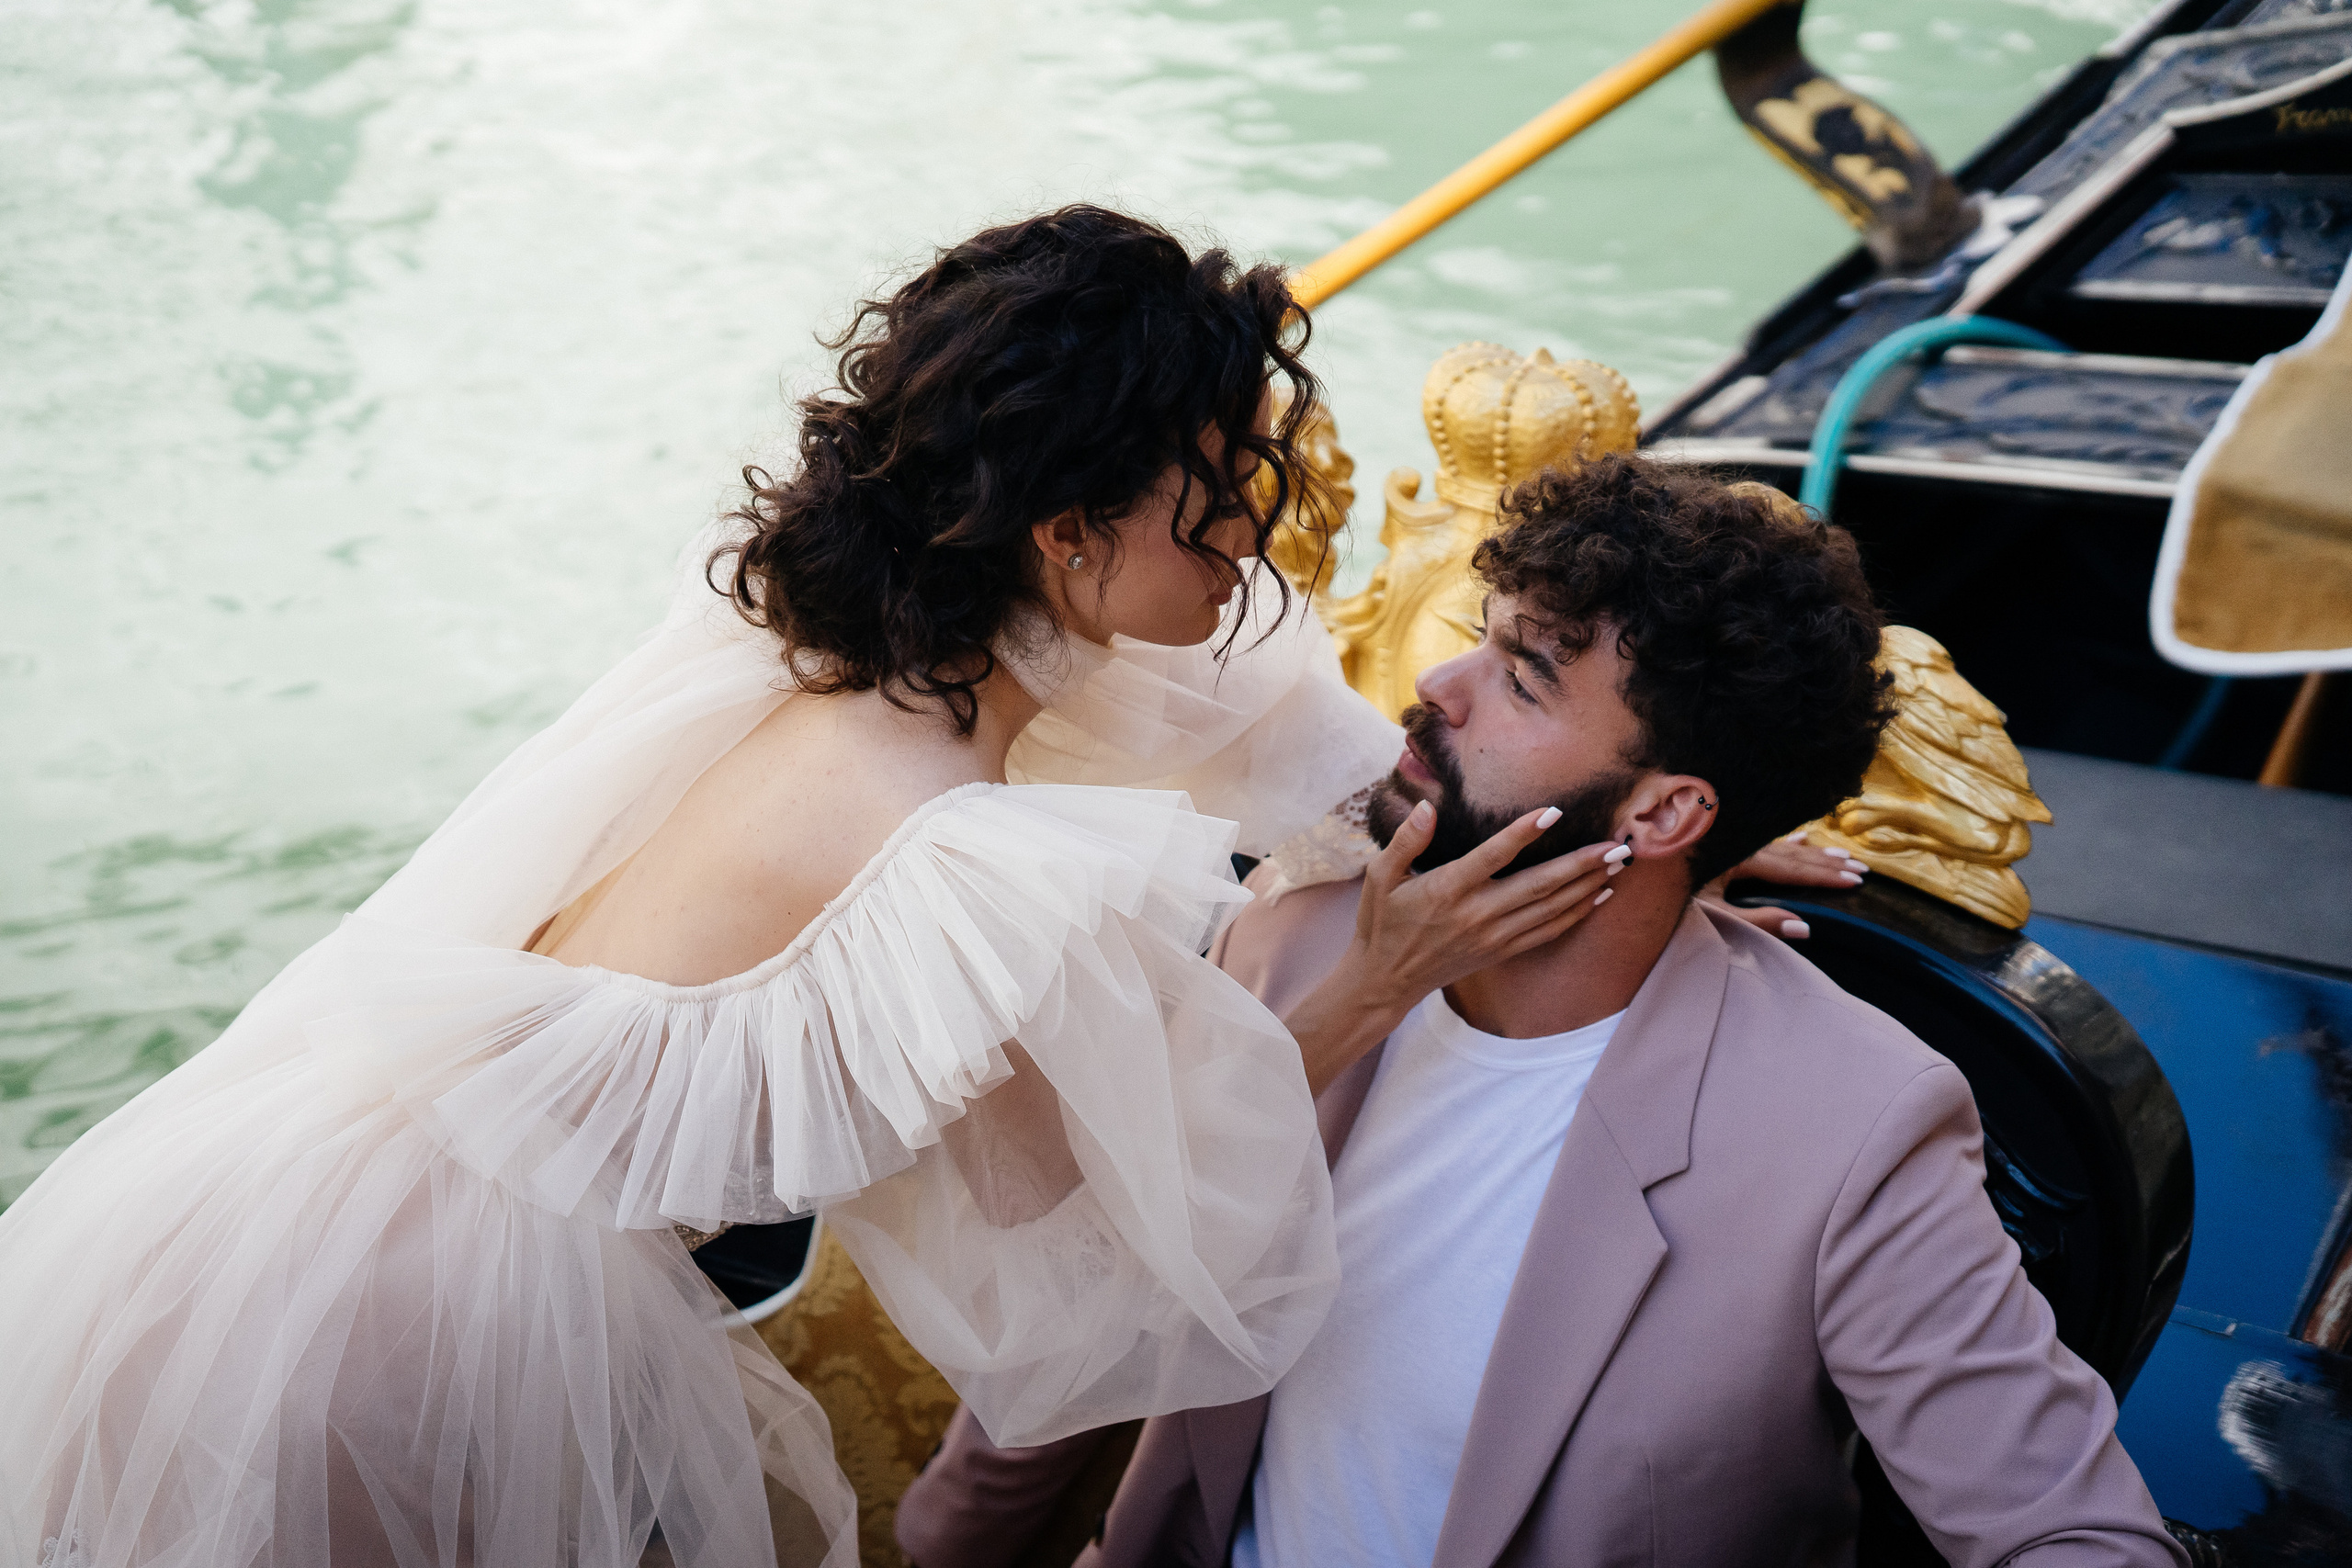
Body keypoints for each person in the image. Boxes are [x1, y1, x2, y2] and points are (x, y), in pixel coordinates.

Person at [0, 208, 1647, 1568]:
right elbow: (1099, 1222)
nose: (1250, 561)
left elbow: (1280, 717)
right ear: (1069, 532)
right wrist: (1381, 980)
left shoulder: (845, 629)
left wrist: (1628, 813)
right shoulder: (955, 852)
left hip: (282, 1198)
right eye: (1215, 518)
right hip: (413, 1340)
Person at [896, 456, 2190, 1568]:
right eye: (1487, 632)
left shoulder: (1853, 1128)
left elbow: (2063, 1529)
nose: (1440, 682)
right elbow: (1092, 1306)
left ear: (1669, 814)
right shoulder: (1293, 945)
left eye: (1522, 679)